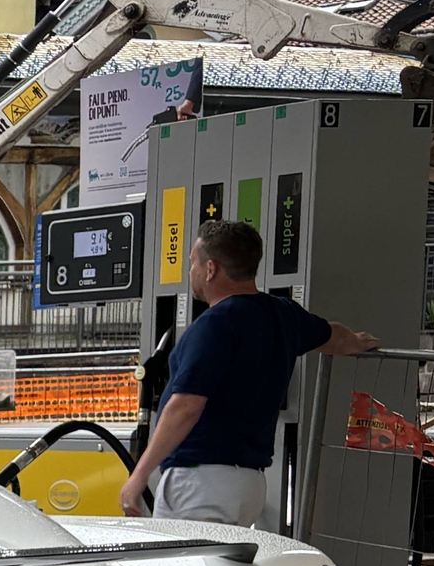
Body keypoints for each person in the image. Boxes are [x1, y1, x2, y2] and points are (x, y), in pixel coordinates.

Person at [119, 219, 378, 526]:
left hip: (200, 482)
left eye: (192, 263)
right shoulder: (283, 314)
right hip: (249, 486)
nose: (191, 272)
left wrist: (139, 476)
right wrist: (358, 342)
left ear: (211, 269)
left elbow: (185, 407)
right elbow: (333, 335)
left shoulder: (214, 325)